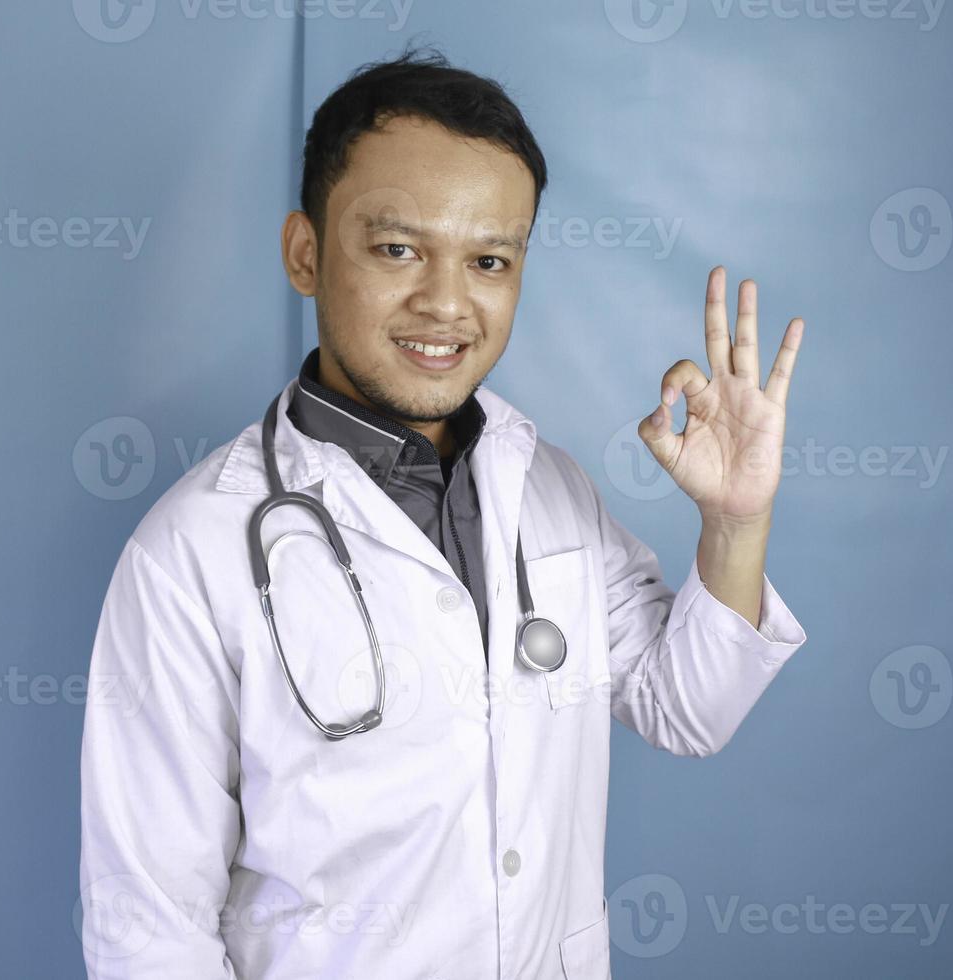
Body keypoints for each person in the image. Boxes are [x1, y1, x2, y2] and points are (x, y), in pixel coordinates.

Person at [79, 46, 808, 980]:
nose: (447, 304)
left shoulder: (550, 491)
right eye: (397, 249)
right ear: (306, 253)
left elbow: (688, 708)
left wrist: (736, 522)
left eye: (490, 260)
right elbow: (149, 928)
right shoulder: (190, 552)